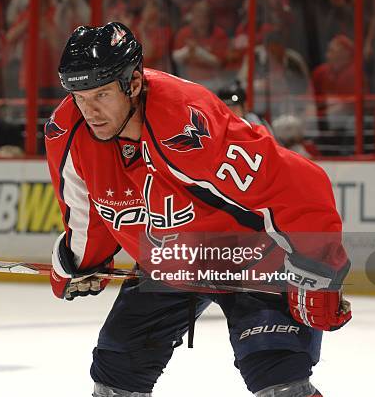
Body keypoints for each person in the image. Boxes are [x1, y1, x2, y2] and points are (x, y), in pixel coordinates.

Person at [45, 22, 352, 396]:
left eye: (102, 94)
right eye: (79, 96)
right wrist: (78, 262)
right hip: (171, 259)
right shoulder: (67, 131)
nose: (89, 111)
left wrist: (317, 273)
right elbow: (89, 215)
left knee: (279, 378)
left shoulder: (186, 126)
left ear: (134, 84)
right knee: (115, 378)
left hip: (255, 254)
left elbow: (300, 187)